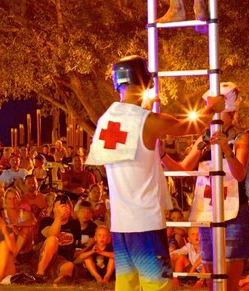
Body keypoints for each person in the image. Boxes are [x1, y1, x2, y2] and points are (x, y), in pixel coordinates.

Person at [84, 56, 218, 291]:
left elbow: (132, 136)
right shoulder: (150, 121)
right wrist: (211, 109)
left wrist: (145, 110)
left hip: (120, 225)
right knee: (157, 286)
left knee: (128, 286)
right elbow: (193, 126)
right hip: (145, 222)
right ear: (145, 80)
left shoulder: (105, 120)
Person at [168, 82, 249, 291]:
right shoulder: (203, 138)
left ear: (230, 112)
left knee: (229, 284)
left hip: (234, 214)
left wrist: (226, 148)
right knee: (211, 281)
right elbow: (183, 169)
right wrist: (161, 154)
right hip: (207, 213)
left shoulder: (242, 138)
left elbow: (240, 174)